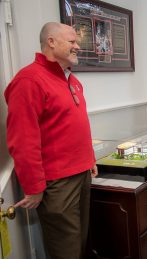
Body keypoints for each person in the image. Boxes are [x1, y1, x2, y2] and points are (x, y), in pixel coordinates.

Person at [4, 22, 97, 259]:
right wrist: (34, 187)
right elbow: (23, 140)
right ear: (51, 42)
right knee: (65, 249)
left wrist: (89, 160)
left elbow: (74, 127)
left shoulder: (71, 80)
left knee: (81, 242)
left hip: (81, 173)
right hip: (58, 183)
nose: (78, 46)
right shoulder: (29, 80)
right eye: (72, 41)